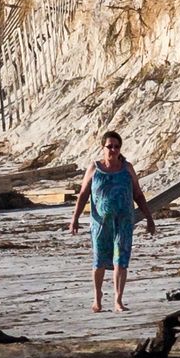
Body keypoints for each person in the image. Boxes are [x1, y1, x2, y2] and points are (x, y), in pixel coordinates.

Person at [69, 129, 153, 312]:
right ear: (102, 148)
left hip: (124, 222)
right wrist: (75, 218)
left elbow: (138, 194)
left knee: (120, 260)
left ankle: (118, 300)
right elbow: (83, 195)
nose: (113, 150)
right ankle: (97, 297)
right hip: (100, 224)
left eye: (116, 146)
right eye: (109, 146)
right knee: (99, 260)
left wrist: (149, 217)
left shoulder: (127, 168)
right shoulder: (94, 168)